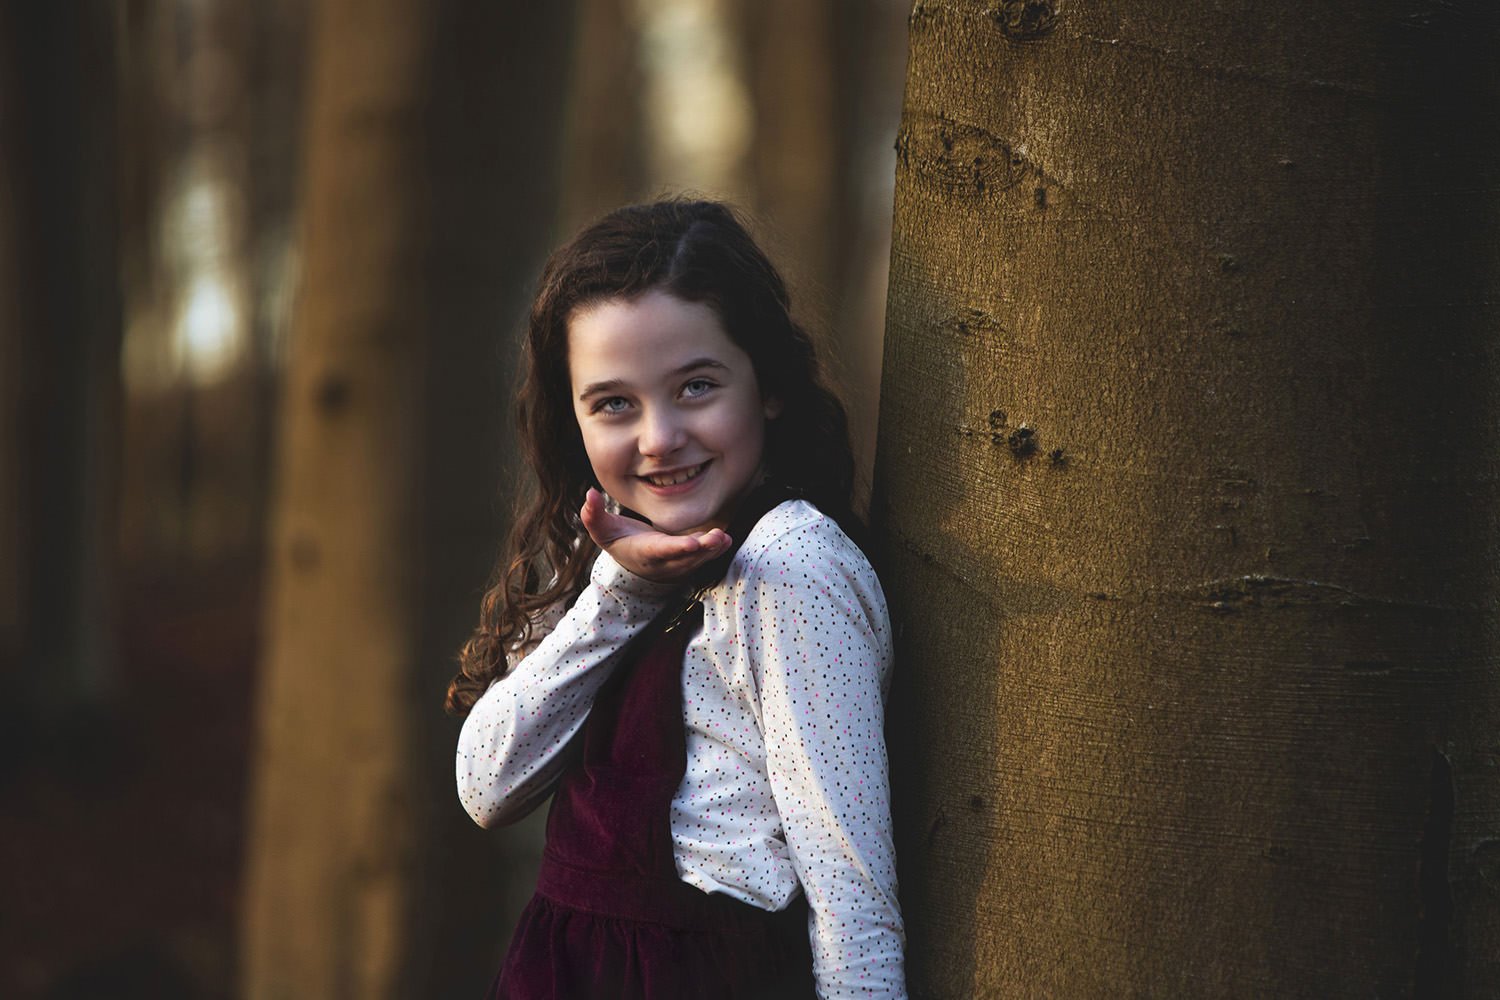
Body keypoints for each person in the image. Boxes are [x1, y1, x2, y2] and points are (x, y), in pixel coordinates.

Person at [447, 199, 905, 999]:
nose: (658, 438)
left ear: (767, 385)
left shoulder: (790, 566)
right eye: (615, 403)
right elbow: (489, 785)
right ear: (575, 421)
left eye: (695, 386)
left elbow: (851, 896)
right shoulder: (611, 556)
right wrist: (622, 593)